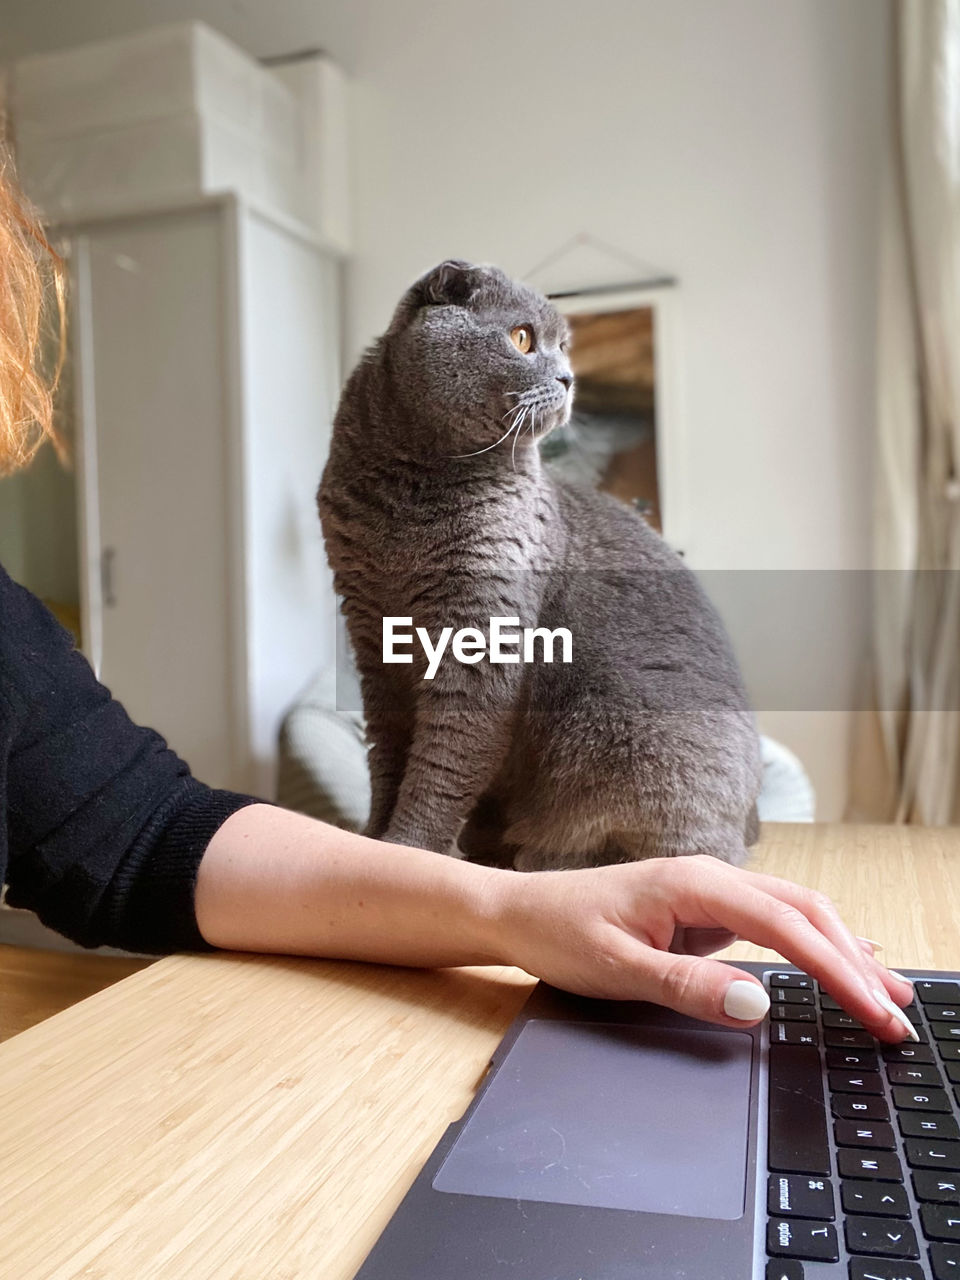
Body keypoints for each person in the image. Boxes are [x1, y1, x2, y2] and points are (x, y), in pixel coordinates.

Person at [0, 149, 914, 1043]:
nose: (556, 373)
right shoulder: (357, 485)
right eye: (526, 340)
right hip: (523, 852)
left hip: (635, 799)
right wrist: (392, 874)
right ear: (432, 316)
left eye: (561, 354)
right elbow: (398, 690)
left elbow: (461, 700)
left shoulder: (512, 503)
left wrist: (399, 878)